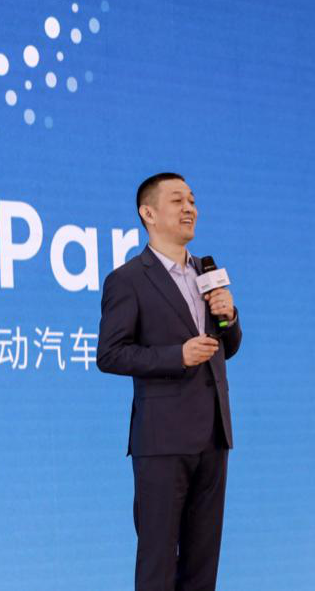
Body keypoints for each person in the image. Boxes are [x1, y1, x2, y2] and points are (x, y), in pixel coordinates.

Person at [97, 172, 242, 591]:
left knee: (202, 565)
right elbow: (110, 354)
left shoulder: (207, 272)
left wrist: (229, 316)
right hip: (162, 441)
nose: (189, 208)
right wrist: (176, 356)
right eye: (178, 200)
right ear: (148, 213)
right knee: (158, 562)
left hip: (214, 435)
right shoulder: (128, 279)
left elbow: (229, 346)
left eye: (192, 200)